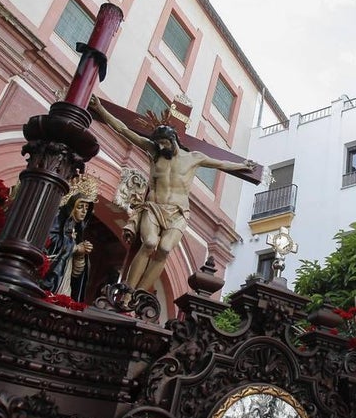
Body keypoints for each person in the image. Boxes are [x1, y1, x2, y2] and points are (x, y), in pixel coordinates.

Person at [89, 96, 257, 291]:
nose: (161, 147)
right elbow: (123, 129)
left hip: (177, 212)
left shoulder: (193, 158)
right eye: (158, 143)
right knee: (150, 243)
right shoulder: (153, 151)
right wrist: (100, 109)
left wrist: (243, 165)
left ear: (173, 140)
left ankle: (139, 293)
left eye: (164, 143)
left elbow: (220, 164)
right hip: (154, 207)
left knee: (165, 249)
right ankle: (128, 289)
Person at [41, 190, 95, 301]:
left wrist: (82, 253)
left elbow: (76, 273)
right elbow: (50, 240)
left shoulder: (77, 229)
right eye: (80, 207)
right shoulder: (58, 219)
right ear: (72, 207)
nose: (84, 211)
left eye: (87, 208)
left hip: (66, 274)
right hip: (54, 274)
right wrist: (75, 248)